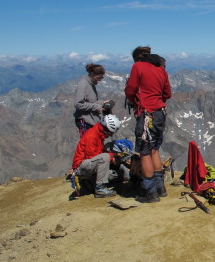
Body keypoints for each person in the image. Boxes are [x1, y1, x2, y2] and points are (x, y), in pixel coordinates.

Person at [125, 47, 172, 203]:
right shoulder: (161, 70)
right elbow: (167, 94)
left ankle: (149, 192)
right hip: (160, 113)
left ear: (137, 58)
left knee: (144, 152)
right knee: (154, 149)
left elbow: (130, 89)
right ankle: (160, 188)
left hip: (146, 113)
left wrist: (136, 100)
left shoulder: (138, 67)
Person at [71, 114, 122, 198]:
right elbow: (92, 157)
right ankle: (100, 189)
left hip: (87, 166)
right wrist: (111, 157)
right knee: (105, 157)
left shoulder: (98, 134)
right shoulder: (92, 136)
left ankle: (90, 183)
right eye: (110, 133)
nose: (110, 135)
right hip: (81, 167)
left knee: (114, 175)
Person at [73, 63, 114, 137]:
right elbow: (78, 104)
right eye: (98, 78)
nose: (99, 81)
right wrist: (96, 107)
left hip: (91, 121)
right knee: (88, 145)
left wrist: (102, 103)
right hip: (85, 121)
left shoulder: (91, 84)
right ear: (92, 74)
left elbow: (91, 101)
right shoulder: (83, 84)